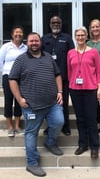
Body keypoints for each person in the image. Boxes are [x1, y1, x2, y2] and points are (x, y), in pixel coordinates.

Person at [9, 32, 64, 177]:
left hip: (52, 103)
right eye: (31, 41)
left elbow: (57, 74)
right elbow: (12, 80)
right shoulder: (21, 60)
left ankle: (50, 142)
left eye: (36, 41)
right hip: (32, 106)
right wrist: (20, 99)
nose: (34, 43)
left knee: (59, 122)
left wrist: (60, 92)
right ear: (27, 43)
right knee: (31, 133)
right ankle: (32, 163)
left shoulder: (48, 57)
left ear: (40, 42)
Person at [67, 26, 100, 159]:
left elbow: (99, 72)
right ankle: (83, 144)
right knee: (80, 119)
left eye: (83, 35)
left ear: (86, 36)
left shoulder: (94, 52)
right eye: (78, 35)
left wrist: (99, 89)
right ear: (75, 37)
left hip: (90, 89)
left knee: (91, 119)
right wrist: (71, 85)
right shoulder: (70, 53)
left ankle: (95, 146)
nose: (80, 37)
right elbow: (70, 71)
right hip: (75, 90)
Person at [41, 15, 74, 136]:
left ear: (61, 24)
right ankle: (50, 126)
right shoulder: (44, 39)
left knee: (63, 102)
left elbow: (72, 57)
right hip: (48, 78)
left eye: (58, 23)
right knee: (48, 102)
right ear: (50, 25)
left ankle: (65, 126)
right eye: (53, 22)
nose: (56, 24)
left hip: (64, 77)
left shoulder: (67, 38)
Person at [0, 25, 27, 137]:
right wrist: (6, 72)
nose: (18, 34)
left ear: (23, 35)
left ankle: (17, 126)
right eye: (16, 32)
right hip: (8, 77)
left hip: (21, 78)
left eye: (20, 33)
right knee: (8, 101)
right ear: (12, 35)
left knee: (19, 101)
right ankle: (10, 127)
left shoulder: (25, 48)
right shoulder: (6, 46)